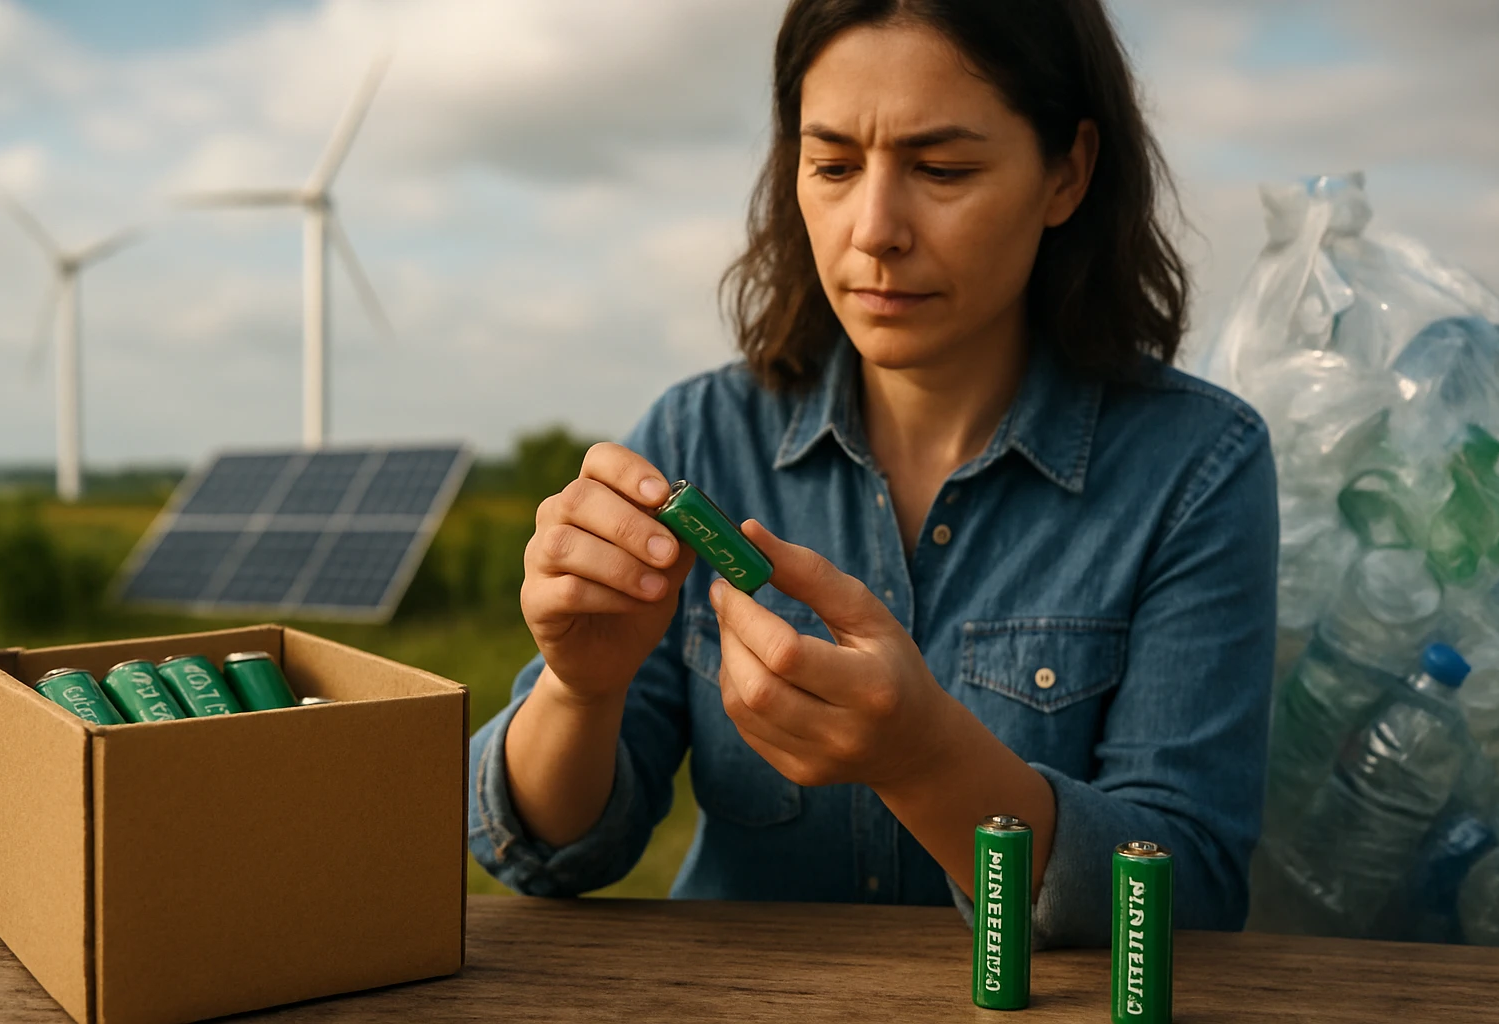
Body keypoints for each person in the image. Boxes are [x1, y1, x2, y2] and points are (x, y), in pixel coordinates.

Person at [469, 0, 1278, 947]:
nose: (874, 229)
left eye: (943, 170)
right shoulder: (698, 437)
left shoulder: (1197, 466)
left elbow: (1188, 889)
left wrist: (927, 761)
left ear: (1068, 172)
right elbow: (545, 855)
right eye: (834, 166)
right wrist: (580, 690)